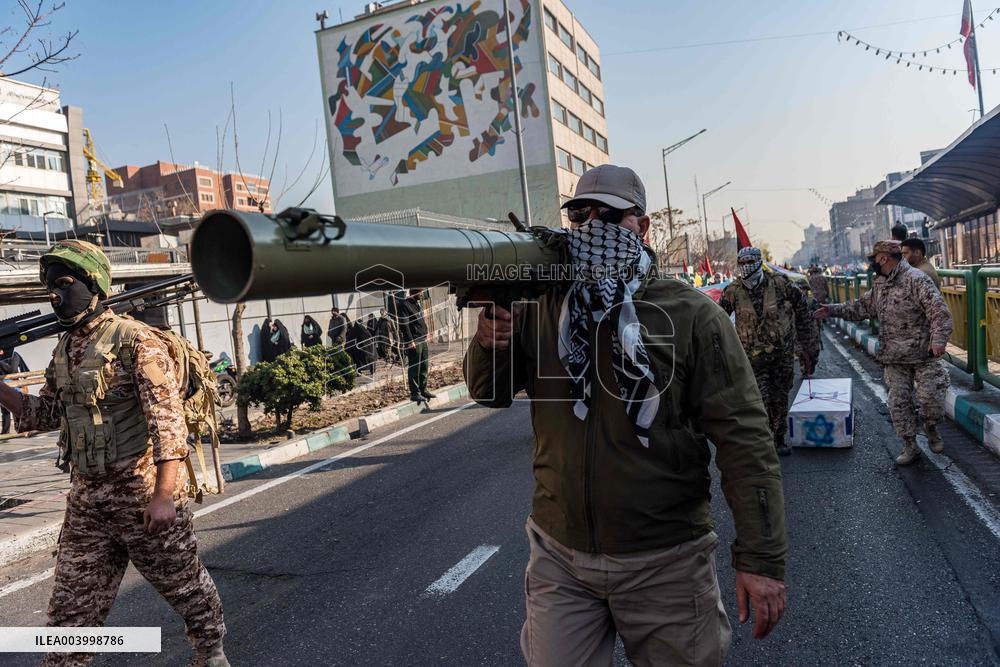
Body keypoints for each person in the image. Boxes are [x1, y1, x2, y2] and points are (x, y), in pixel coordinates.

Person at [465, 165, 786, 666]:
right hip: (561, 557)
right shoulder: (543, 306)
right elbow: (490, 393)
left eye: (610, 215)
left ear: (643, 225)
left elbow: (745, 438)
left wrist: (761, 559)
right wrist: (490, 343)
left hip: (667, 561)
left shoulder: (690, 314)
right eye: (580, 214)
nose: (593, 225)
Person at [0, 240, 228, 666]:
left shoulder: (137, 341)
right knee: (70, 613)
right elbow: (42, 414)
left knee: (186, 588)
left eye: (65, 283)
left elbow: (168, 422)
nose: (56, 294)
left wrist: (164, 496)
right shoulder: (64, 350)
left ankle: (211, 651)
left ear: (94, 285)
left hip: (143, 499)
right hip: (88, 504)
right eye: (50, 285)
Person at [814, 240, 953, 465]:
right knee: (898, 405)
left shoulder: (916, 279)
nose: (873, 263)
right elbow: (861, 307)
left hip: (922, 355)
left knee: (931, 400)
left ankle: (931, 426)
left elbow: (940, 313)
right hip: (894, 357)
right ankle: (910, 446)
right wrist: (832, 310)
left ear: (884, 258)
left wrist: (938, 341)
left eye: (874, 258)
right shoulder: (881, 284)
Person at [719, 248, 817, 457]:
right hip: (753, 358)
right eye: (742, 262)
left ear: (759, 262)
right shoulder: (733, 291)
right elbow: (718, 320)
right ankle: (765, 440)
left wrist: (807, 344)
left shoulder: (780, 283)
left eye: (750, 261)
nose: (746, 265)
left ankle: (779, 437)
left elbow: (802, 308)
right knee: (759, 400)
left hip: (782, 354)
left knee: (780, 396)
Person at [397, 289, 435, 402]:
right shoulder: (404, 304)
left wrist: (425, 334)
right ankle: (415, 393)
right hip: (414, 341)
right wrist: (410, 341)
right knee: (415, 367)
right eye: (420, 292)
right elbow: (404, 324)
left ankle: (423, 390)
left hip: (422, 339)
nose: (422, 294)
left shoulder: (416, 304)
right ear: (415, 292)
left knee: (424, 365)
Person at [0, 346, 28, 434]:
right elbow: (25, 371)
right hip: (15, 384)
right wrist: (24, 381)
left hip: (5, 386)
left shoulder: (13, 356)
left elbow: (12, 369)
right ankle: (23, 428)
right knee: (17, 407)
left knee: (6, 410)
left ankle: (5, 432)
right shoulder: (16, 354)